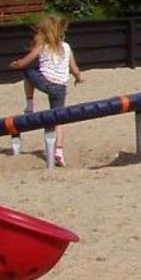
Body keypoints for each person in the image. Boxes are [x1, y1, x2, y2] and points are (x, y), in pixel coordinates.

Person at [9, 14, 84, 166]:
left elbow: (25, 62)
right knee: (59, 118)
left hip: (46, 83)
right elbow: (74, 68)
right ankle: (59, 151)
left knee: (28, 71)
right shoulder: (67, 47)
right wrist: (79, 78)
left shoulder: (43, 46)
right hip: (61, 87)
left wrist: (15, 64)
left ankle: (29, 104)